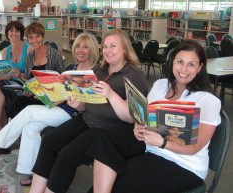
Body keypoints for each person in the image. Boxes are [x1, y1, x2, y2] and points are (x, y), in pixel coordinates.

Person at [86, 39, 221, 193]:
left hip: (183, 164)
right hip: (151, 147)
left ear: (200, 67)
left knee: (118, 184)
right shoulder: (161, 85)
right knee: (105, 140)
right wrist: (138, 126)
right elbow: (145, 116)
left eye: (191, 64)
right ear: (172, 62)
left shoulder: (208, 101)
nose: (184, 69)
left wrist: (162, 143)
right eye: (180, 62)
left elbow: (195, 148)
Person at [28, 29, 149, 193]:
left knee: (66, 156)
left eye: (113, 46)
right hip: (86, 119)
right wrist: (77, 104)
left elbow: (130, 118)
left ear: (125, 49)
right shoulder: (99, 70)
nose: (107, 50)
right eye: (105, 46)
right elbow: (86, 104)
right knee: (49, 142)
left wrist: (111, 94)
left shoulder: (134, 75)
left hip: (109, 128)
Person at [0, 33, 100, 186]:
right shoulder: (71, 68)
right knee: (31, 126)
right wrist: (42, 92)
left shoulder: (98, 72)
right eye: (78, 47)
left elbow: (96, 101)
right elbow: (58, 92)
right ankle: (31, 171)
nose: (80, 50)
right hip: (59, 107)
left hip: (76, 115)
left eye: (85, 47)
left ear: (93, 49)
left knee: (29, 111)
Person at [0, 22, 64, 141]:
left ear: (43, 37)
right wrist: (27, 85)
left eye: (37, 36)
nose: (34, 40)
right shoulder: (30, 56)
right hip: (35, 93)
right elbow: (29, 77)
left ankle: (3, 140)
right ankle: (5, 137)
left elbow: (62, 78)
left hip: (50, 96)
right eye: (31, 37)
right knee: (18, 101)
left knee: (19, 102)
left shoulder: (54, 54)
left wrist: (42, 91)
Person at [0, 21, 31, 141]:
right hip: (9, 82)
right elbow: (6, 74)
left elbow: (32, 75)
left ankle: (1, 127)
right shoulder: (5, 51)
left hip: (23, 83)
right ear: (7, 33)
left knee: (1, 90)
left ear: (21, 33)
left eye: (17, 31)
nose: (14, 33)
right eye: (11, 30)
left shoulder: (29, 50)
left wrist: (21, 74)